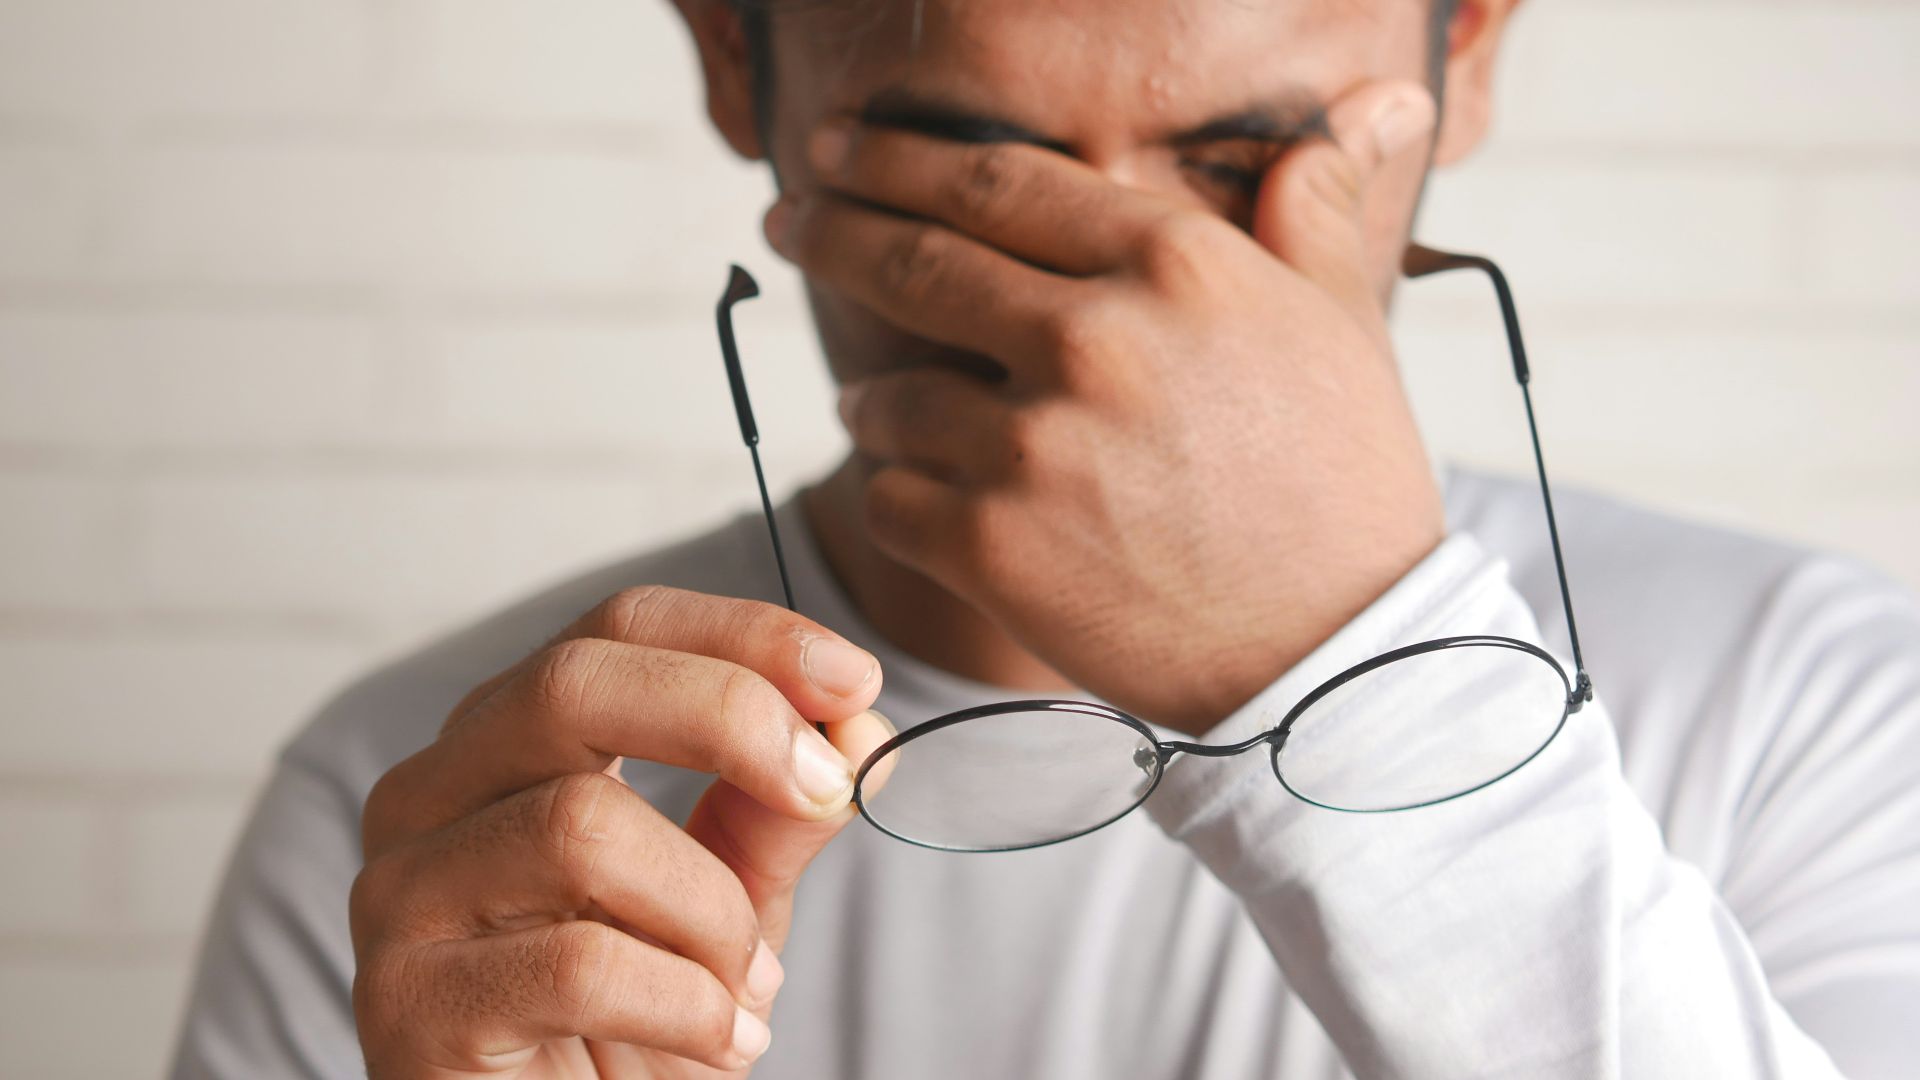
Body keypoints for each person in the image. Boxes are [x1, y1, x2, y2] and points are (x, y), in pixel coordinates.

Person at [170, 0, 1920, 1077]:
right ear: (732, 52)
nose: (1122, 293)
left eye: (1245, 156)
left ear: (1463, 54)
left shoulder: (1816, 714)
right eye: (969, 166)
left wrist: (1346, 656)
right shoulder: (453, 809)